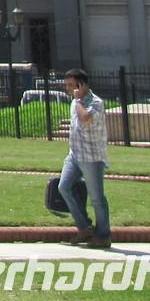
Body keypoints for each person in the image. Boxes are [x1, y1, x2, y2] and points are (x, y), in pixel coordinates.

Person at [60, 68, 111, 249]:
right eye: (66, 85)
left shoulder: (95, 102)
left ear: (82, 85)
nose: (68, 89)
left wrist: (79, 99)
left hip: (91, 157)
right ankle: (85, 227)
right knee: (64, 187)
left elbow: (86, 120)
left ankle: (103, 236)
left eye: (71, 85)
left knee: (96, 198)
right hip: (74, 154)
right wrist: (77, 100)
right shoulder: (76, 102)